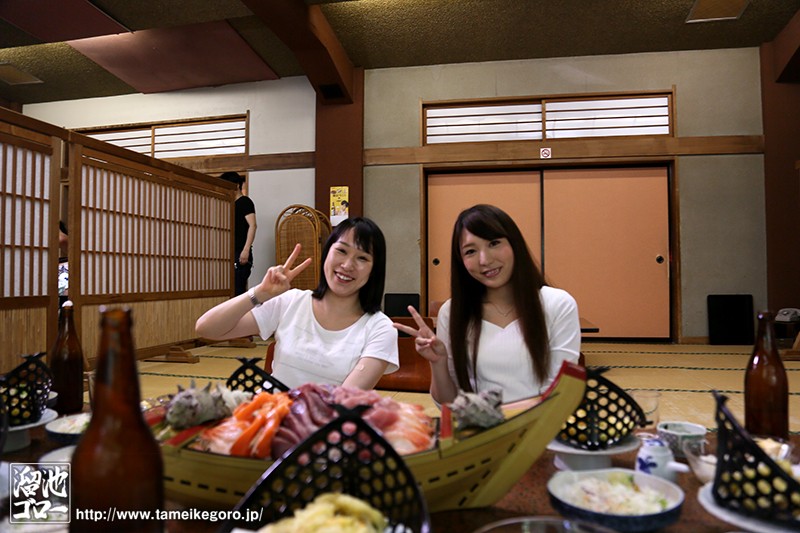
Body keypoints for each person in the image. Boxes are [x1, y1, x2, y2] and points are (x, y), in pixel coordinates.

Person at [395, 204, 581, 405]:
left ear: (515, 244)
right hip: (480, 424)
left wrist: (501, 418)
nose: (484, 260)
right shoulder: (453, 312)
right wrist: (438, 363)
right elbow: (451, 403)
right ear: (461, 261)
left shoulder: (557, 304)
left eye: (494, 243)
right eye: (470, 251)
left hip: (543, 424)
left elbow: (560, 395)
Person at [195, 217, 399, 390]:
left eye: (362, 258)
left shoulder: (380, 328)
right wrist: (258, 293)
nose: (347, 265)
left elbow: (344, 402)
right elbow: (207, 328)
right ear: (327, 253)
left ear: (374, 270)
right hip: (268, 414)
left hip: (325, 423)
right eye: (342, 251)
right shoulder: (291, 301)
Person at [220, 171, 257, 296]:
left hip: (240, 251)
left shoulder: (245, 202)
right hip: (229, 252)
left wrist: (245, 250)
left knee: (238, 290)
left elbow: (253, 225)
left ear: (236, 185)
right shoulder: (228, 204)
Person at [58, 221, 69, 307]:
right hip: (62, 265)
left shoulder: (62, 237)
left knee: (63, 298)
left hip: (64, 266)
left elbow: (60, 239)